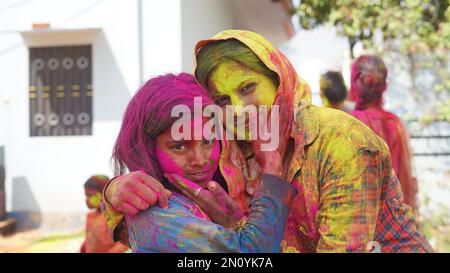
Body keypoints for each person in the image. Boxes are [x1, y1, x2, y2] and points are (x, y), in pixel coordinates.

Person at [102, 30, 433, 253]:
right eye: (224, 99)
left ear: (279, 80)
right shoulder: (230, 150)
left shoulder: (341, 143)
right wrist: (115, 189)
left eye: (248, 88)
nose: (240, 110)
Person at [110, 73, 296, 252]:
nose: (200, 160)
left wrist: (234, 224)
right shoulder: (157, 211)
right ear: (149, 149)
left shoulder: (200, 199)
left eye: (207, 141)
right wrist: (271, 168)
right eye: (179, 146)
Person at [349, 55, 418, 212]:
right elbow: (404, 179)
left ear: (356, 81)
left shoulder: (351, 123)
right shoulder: (395, 123)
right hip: (395, 220)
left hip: (363, 219)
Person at [80, 175, 128, 253]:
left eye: (90, 195)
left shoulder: (115, 215)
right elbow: (91, 238)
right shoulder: (90, 216)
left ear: (103, 193)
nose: (87, 199)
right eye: (86, 195)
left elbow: (124, 242)